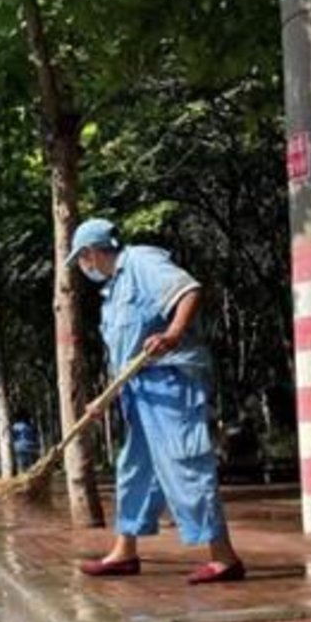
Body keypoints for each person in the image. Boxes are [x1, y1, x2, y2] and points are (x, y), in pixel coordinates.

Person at [69, 218, 245, 585]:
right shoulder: (113, 290)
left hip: (169, 382)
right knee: (134, 471)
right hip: (138, 391)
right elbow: (123, 351)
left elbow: (188, 291)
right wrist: (106, 397)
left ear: (90, 254)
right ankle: (124, 552)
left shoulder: (141, 262)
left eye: (82, 260)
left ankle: (224, 557)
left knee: (185, 465)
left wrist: (173, 333)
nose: (83, 268)